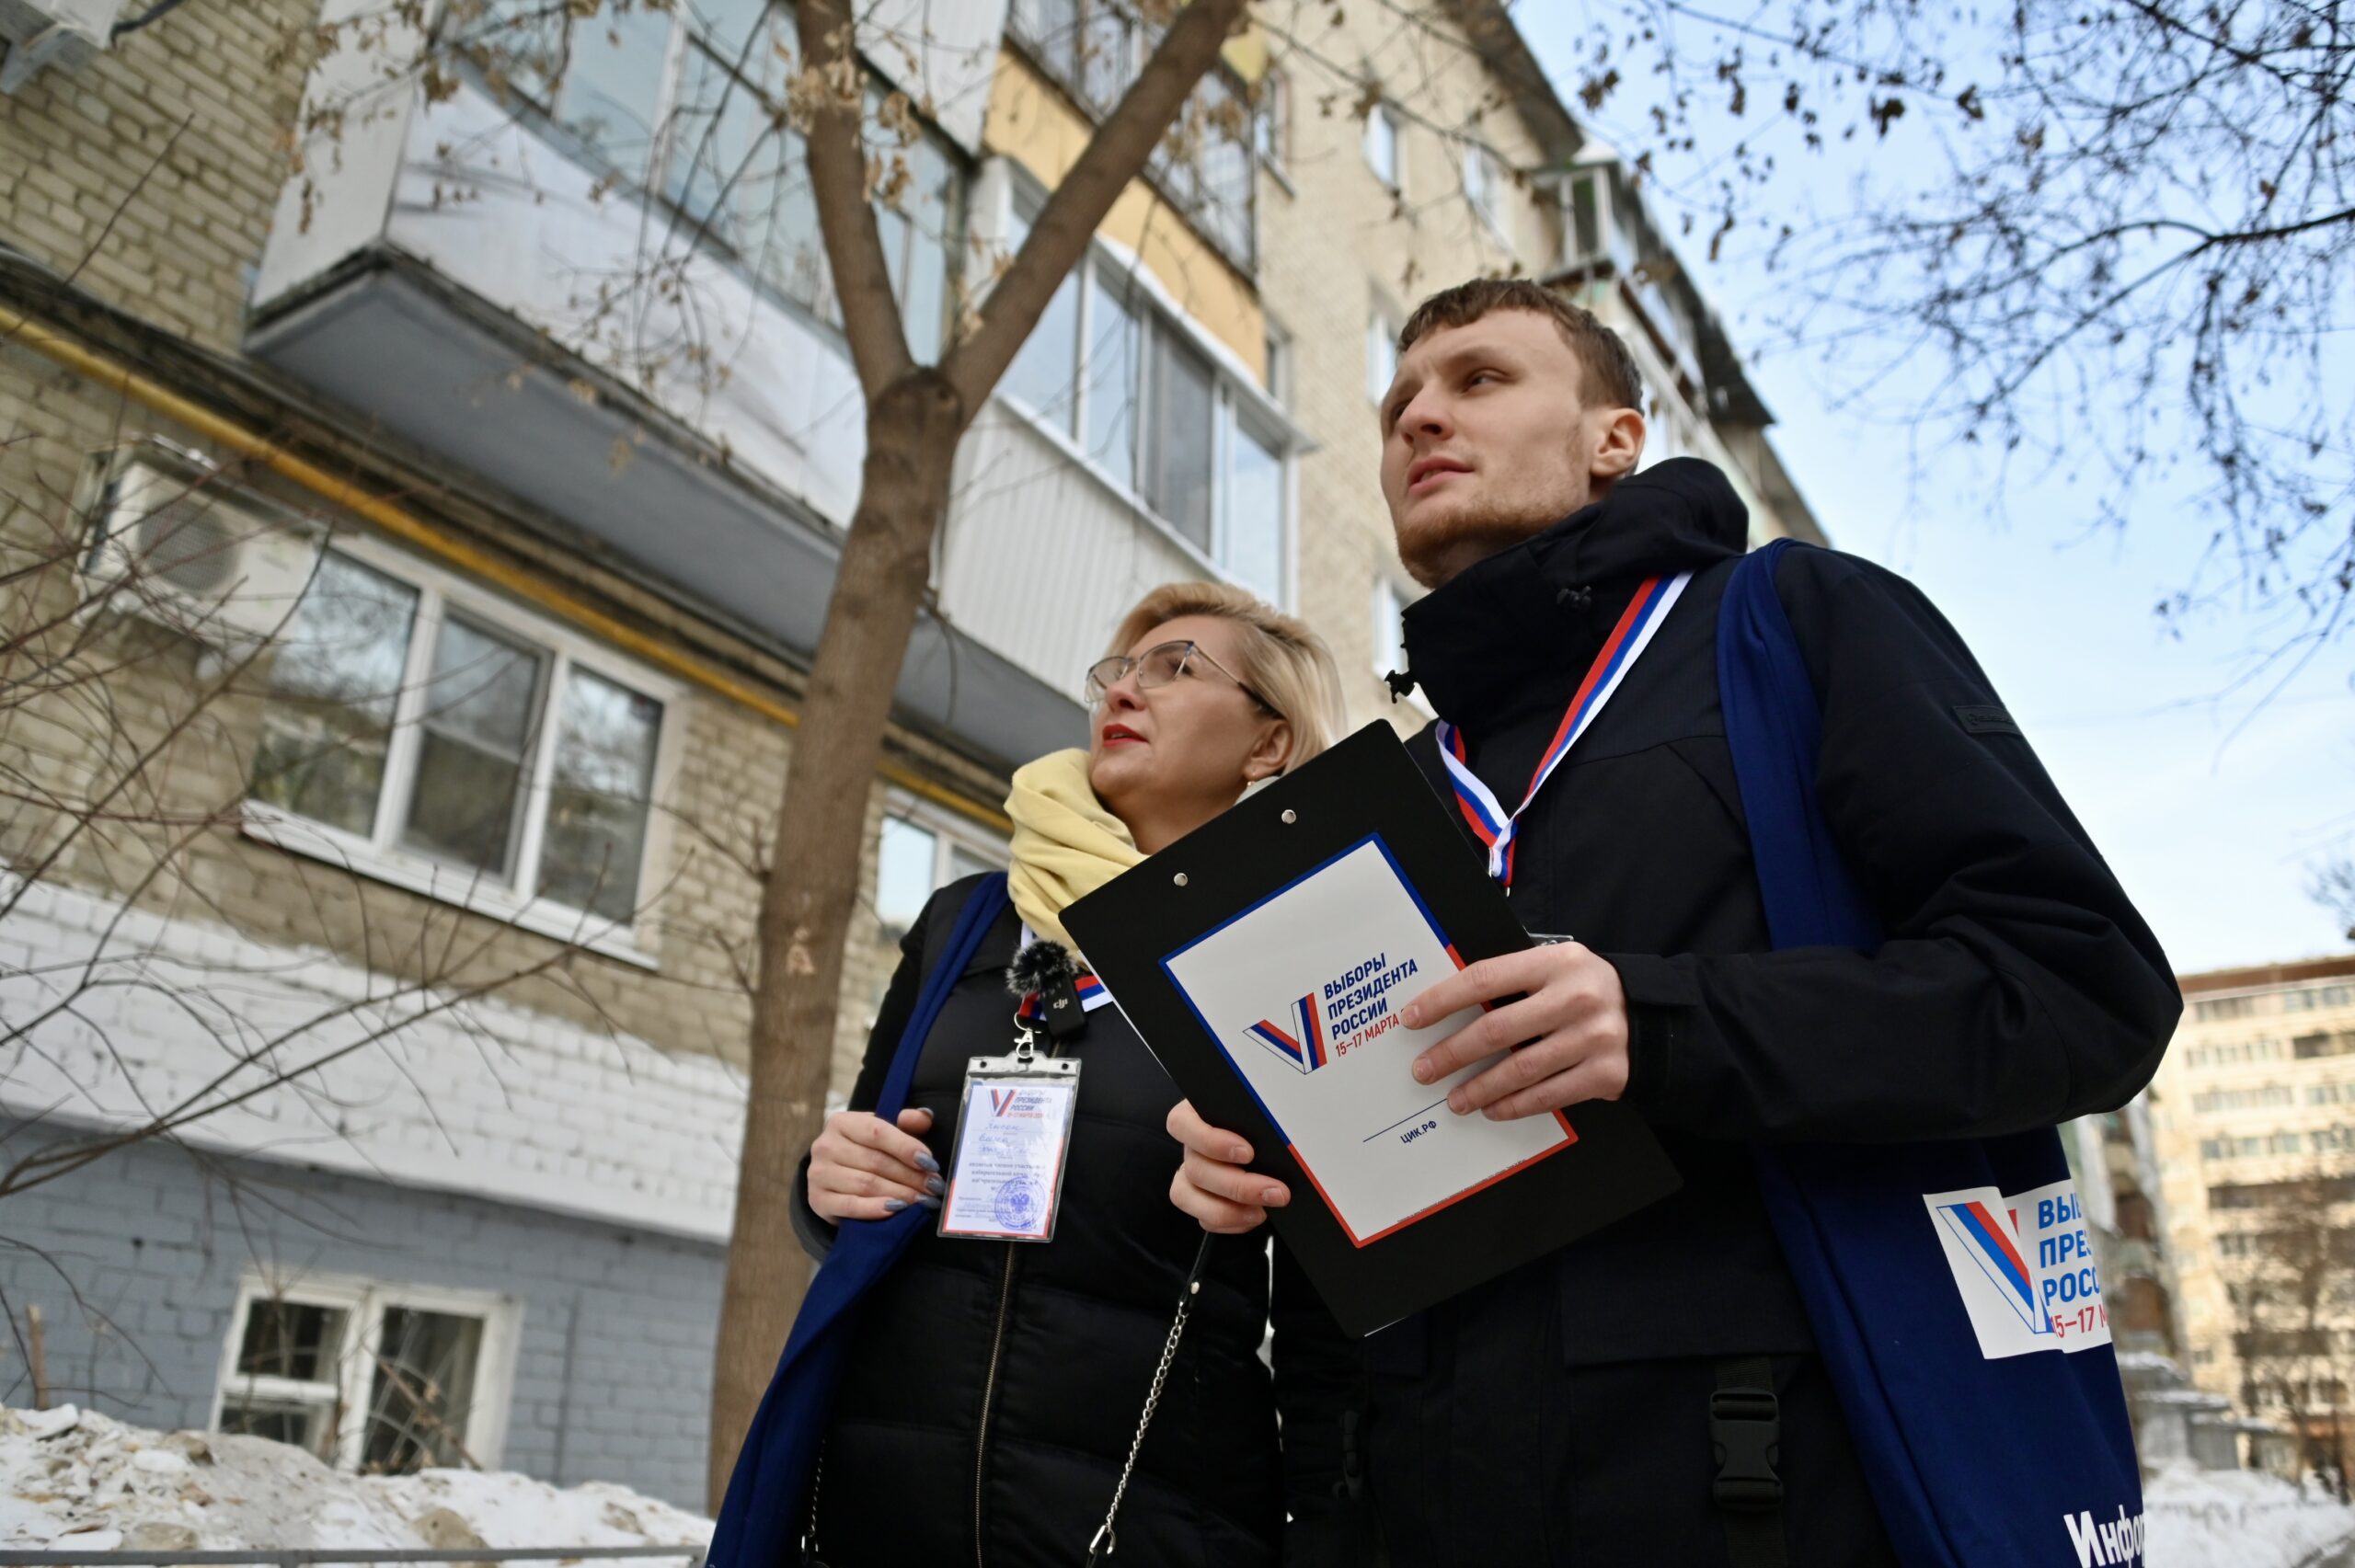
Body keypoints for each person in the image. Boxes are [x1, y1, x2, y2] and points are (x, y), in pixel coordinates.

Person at [1166, 279, 2183, 1564]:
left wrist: (1658, 1026)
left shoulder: (1795, 625)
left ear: (1616, 438)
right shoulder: (1404, 787)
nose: (1419, 418)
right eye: (1396, 405)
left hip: (1777, 1488)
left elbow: (2085, 994)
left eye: (1480, 380)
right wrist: (1263, 1155)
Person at [792, 581, 1346, 1567]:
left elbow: (1344, 1279)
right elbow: (863, 1166)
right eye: (1118, 671)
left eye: (1176, 669)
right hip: (888, 1502)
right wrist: (822, 1185)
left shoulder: (1289, 946)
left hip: (1151, 1516)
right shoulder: (964, 923)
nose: (1125, 691)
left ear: (1268, 745)